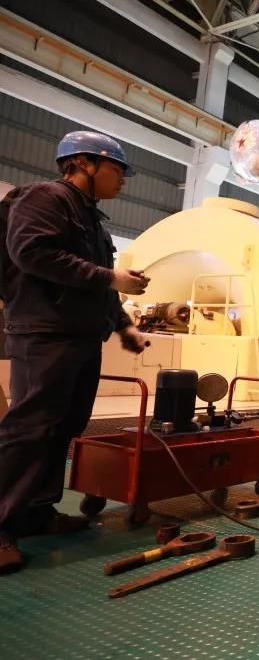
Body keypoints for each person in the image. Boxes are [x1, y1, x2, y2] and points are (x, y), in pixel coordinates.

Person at [0, 130, 151, 574]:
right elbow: (30, 252)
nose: (122, 179)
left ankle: (36, 513)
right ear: (85, 163)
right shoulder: (46, 198)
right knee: (31, 429)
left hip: (81, 336)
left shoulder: (92, 220)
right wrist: (111, 279)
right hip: (45, 332)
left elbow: (99, 281)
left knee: (63, 426)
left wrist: (124, 326)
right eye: (117, 169)